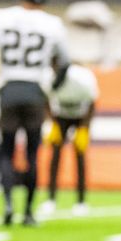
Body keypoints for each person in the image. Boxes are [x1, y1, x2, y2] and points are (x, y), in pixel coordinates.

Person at [0, 0, 70, 227]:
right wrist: (52, 89)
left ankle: (7, 204)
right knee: (32, 154)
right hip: (35, 90)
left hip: (8, 89)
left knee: (6, 152)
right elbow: (66, 61)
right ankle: (27, 211)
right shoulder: (51, 24)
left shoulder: (2, 18)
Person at [40, 62, 100, 218]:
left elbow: (93, 103)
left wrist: (84, 128)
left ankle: (81, 201)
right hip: (60, 116)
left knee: (80, 158)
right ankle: (51, 199)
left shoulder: (83, 78)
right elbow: (45, 100)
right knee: (55, 157)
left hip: (81, 116)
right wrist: (51, 121)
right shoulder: (48, 77)